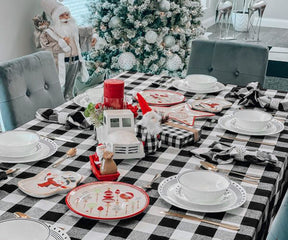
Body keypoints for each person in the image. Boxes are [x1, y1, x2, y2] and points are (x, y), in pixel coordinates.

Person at [39, 0, 96, 100]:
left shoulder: (74, 29)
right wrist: (61, 43)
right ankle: (60, 103)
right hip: (62, 64)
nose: (66, 17)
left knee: (71, 85)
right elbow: (47, 48)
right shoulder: (50, 33)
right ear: (56, 17)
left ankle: (70, 100)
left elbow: (81, 42)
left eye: (67, 14)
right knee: (60, 85)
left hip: (75, 61)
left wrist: (91, 40)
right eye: (62, 15)